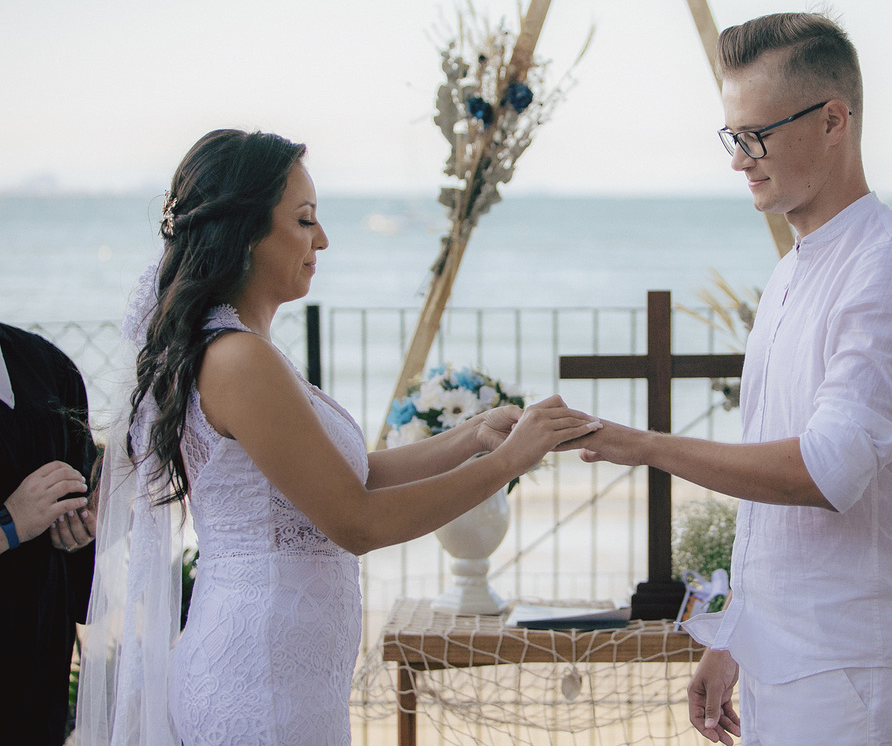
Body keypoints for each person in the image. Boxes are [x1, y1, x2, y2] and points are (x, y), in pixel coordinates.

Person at [75, 129, 601, 746]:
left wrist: (473, 438)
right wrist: (509, 461)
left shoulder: (240, 350)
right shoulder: (238, 359)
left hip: (281, 675)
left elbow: (354, 477)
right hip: (258, 682)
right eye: (304, 220)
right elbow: (357, 522)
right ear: (245, 233)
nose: (322, 238)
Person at [572, 12, 892, 745]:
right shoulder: (792, 270)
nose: (738, 160)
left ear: (833, 121)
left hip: (850, 659)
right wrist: (733, 637)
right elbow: (774, 503)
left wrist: (646, 445)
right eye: (732, 136)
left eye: (756, 136)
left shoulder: (888, 269)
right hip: (782, 655)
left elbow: (825, 470)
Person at [1, 323, 98, 745]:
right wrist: (11, 523)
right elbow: (18, 520)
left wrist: (81, 530)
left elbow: (83, 487)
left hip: (37, 658)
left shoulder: (47, 365)